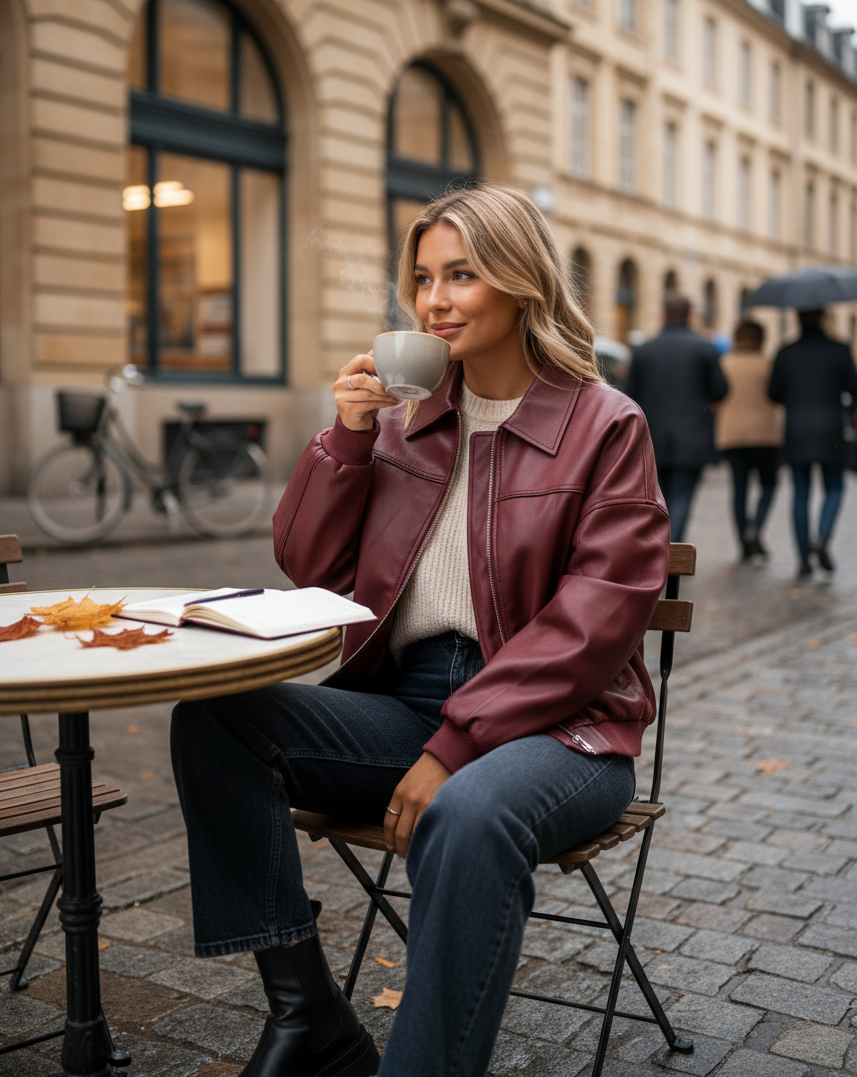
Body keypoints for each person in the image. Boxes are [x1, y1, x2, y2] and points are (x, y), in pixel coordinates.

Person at [169, 184, 671, 1077]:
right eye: (424, 278)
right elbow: (311, 570)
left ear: (522, 284)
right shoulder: (405, 421)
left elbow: (595, 621)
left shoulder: (605, 425)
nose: (434, 300)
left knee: (472, 817)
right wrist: (347, 441)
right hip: (407, 708)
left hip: (564, 731)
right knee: (216, 715)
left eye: (462, 275)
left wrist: (459, 742)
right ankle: (308, 1018)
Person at [625, 294, 728, 541]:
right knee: (682, 496)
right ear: (690, 315)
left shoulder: (644, 350)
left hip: (652, 437)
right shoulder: (704, 348)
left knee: (655, 498)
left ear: (663, 313)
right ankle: (671, 552)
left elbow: (628, 395)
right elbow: (720, 389)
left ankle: (657, 549)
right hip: (693, 437)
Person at [768, 309, 857, 576]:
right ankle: (823, 536)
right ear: (822, 319)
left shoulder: (786, 352)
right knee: (835, 488)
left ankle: (804, 559)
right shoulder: (839, 350)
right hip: (831, 429)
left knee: (800, 494)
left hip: (797, 430)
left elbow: (773, 393)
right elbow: (854, 389)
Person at [716, 320, 782, 562]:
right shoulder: (768, 365)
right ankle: (755, 528)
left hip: (732, 434)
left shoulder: (725, 364)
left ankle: (744, 543)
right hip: (765, 434)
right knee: (769, 485)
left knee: (740, 489)